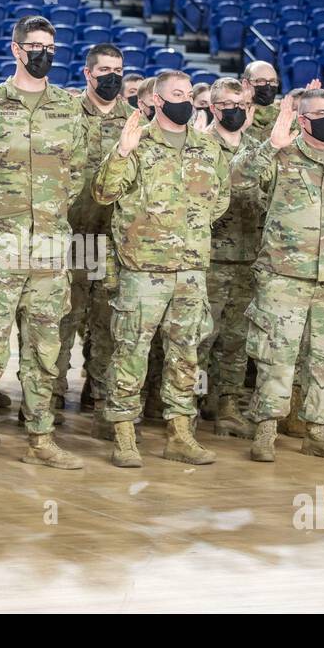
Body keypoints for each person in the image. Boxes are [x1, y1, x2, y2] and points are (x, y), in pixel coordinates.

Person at [0, 15, 95, 473]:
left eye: (50, 45)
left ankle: (41, 436)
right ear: (16, 49)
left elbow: (76, 173)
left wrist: (50, 216)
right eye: (34, 45)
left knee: (44, 347)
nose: (43, 52)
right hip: (0, 245)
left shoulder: (69, 107)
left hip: (50, 247)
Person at [93, 70, 228, 467]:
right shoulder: (137, 143)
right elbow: (103, 194)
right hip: (143, 270)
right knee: (131, 352)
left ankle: (180, 433)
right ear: (153, 100)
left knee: (185, 354)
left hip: (190, 270)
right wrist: (120, 153)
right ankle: (123, 432)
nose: (185, 100)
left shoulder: (207, 148)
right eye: (176, 94)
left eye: (189, 93)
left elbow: (218, 200)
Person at [234, 88, 324, 461]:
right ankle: (266, 430)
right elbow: (237, 181)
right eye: (321, 113)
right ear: (302, 119)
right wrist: (270, 144)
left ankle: (317, 430)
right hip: (284, 274)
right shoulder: (282, 155)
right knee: (277, 354)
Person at [60, 43, 130, 413]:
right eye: (104, 70)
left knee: (106, 323)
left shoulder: (135, 120)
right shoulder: (65, 113)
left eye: (117, 69)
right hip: (69, 235)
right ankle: (50, 398)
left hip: (111, 241)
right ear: (88, 74)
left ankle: (101, 395)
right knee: (61, 320)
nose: (112, 76)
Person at [197, 77, 258, 438]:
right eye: (227, 105)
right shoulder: (201, 147)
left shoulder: (259, 150)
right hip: (211, 258)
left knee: (237, 339)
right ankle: (192, 400)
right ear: (213, 108)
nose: (234, 111)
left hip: (248, 258)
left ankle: (228, 405)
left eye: (241, 105)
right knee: (202, 336)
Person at [241, 60, 280, 141]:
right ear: (246, 84)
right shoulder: (233, 112)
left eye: (273, 81)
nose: (268, 86)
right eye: (261, 81)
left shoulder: (281, 113)